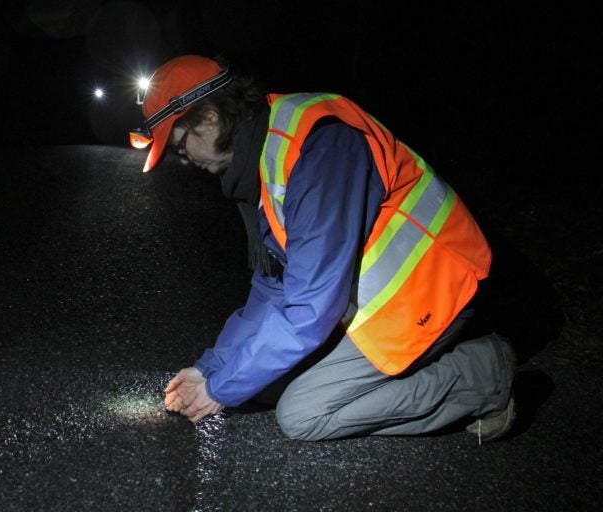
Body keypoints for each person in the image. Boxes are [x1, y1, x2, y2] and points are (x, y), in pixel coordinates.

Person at [129, 55, 517, 442]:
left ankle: (483, 374)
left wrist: (219, 390)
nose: (182, 160)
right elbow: (275, 284)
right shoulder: (263, 153)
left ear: (210, 117)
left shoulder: (318, 147)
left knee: (303, 413)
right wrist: (211, 368)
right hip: (367, 299)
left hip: (431, 290)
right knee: (256, 384)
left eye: (180, 145)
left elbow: (311, 307)